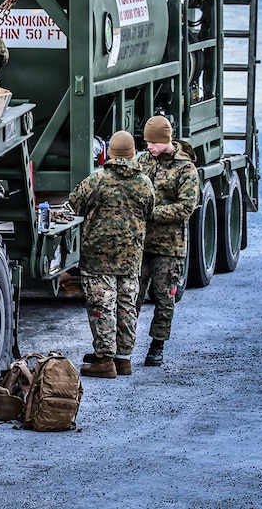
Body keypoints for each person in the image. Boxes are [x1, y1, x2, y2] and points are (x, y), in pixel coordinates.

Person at [68, 130, 155, 378]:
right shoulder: (145, 183)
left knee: (102, 306)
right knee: (127, 305)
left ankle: (104, 360)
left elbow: (75, 204)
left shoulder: (96, 180)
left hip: (97, 257)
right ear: (132, 153)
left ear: (110, 153)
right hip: (131, 258)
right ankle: (124, 359)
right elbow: (150, 211)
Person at [135, 116, 200, 367]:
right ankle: (122, 345)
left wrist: (152, 212)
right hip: (141, 243)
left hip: (169, 246)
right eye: (147, 141)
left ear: (166, 140)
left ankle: (157, 345)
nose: (149, 146)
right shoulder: (142, 161)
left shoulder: (185, 169)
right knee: (131, 296)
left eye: (153, 142)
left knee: (164, 297)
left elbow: (186, 207)